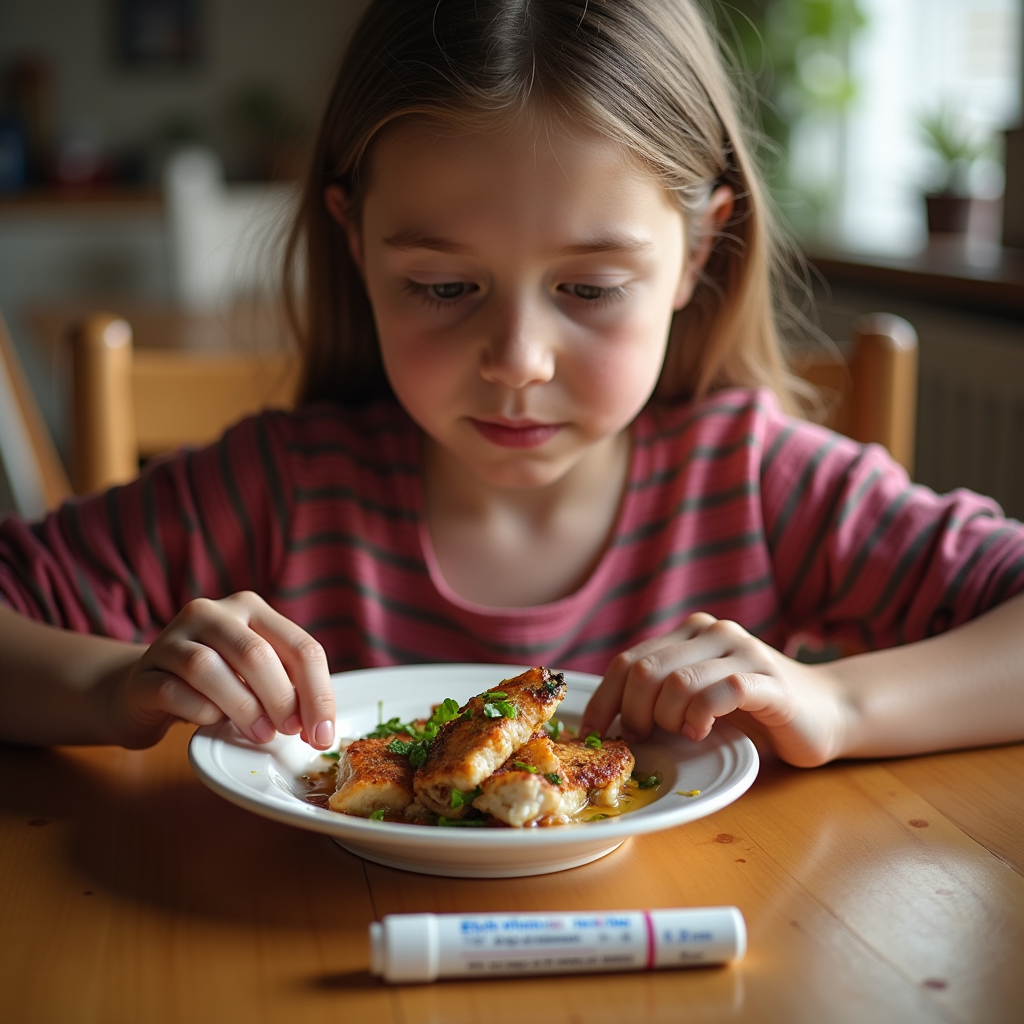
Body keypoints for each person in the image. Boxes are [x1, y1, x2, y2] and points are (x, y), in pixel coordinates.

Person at [1, 0, 1023, 768]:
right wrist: (110, 688)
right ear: (356, 242)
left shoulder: (758, 482)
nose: (519, 359)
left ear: (698, 253)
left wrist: (836, 706)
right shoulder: (278, 488)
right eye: (444, 287)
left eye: (590, 288)